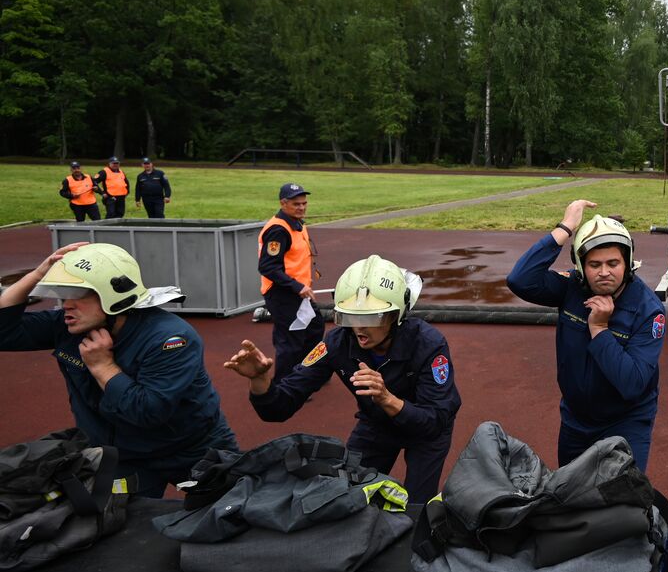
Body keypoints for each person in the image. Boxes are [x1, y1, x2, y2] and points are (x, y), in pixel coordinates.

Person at [0, 242, 239, 496]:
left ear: (113, 296)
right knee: (122, 530)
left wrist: (103, 366)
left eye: (79, 296)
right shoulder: (67, 326)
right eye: (65, 294)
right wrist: (37, 275)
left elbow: (147, 411)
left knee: (232, 515)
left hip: (192, 448)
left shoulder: (171, 338)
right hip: (122, 455)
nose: (67, 305)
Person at [223, 255, 460, 503]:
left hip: (426, 429)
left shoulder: (429, 344)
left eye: (372, 317)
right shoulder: (336, 343)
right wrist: (260, 382)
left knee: (415, 506)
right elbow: (279, 409)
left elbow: (434, 420)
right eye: (350, 316)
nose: (359, 328)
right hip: (376, 425)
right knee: (348, 498)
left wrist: (387, 398)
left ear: (396, 315)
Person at [506, 199, 665, 471]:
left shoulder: (649, 310)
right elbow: (520, 280)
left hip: (625, 422)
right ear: (580, 266)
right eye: (594, 264)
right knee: (570, 498)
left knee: (623, 502)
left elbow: (633, 383)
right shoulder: (572, 288)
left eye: (613, 263)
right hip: (576, 421)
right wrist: (565, 228)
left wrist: (600, 330)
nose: (604, 272)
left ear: (627, 263)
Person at [258, 182, 324, 379]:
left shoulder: (297, 223)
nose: (302, 207)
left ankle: (306, 371)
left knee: (314, 328)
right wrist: (296, 286)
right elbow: (267, 267)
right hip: (282, 293)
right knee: (290, 339)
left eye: (304, 203)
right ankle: (286, 383)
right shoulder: (278, 230)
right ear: (283, 203)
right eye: (296, 204)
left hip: (299, 291)